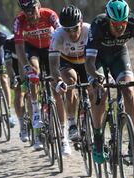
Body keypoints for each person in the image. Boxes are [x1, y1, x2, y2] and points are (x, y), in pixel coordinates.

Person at [85, 0, 134, 164]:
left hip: (119, 56)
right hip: (97, 59)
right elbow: (88, 62)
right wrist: (97, 77)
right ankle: (98, 139)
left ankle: (132, 145)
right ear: (108, 20)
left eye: (122, 23)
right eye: (115, 24)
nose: (119, 28)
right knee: (100, 93)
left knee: (129, 91)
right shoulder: (98, 25)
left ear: (127, 19)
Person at [14, 0, 60, 150]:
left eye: (32, 9)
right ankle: (35, 110)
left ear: (38, 5)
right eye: (25, 10)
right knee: (34, 72)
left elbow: (61, 33)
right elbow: (19, 47)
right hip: (32, 49)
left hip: (50, 49)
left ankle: (61, 127)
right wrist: (26, 67)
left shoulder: (50, 15)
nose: (29, 14)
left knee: (56, 80)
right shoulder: (19, 21)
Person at [49, 5, 91, 155]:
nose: (72, 33)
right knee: (71, 81)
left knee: (94, 88)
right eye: (68, 29)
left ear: (81, 22)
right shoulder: (57, 35)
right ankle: (72, 123)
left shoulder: (90, 30)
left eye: (75, 28)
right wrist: (59, 81)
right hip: (67, 63)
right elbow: (53, 65)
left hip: (87, 62)